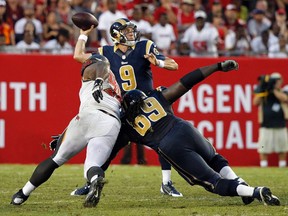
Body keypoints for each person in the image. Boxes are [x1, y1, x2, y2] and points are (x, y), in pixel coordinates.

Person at [120, 60, 280, 206]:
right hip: (184, 128)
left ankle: (254, 192)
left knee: (213, 182)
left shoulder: (128, 127)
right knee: (214, 158)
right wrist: (217, 67)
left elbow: (108, 148)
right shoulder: (156, 98)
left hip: (170, 145)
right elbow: (187, 81)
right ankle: (242, 184)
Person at [71, 17, 183, 197]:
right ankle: (91, 182)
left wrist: (158, 62)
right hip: (122, 108)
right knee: (110, 147)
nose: (131, 33)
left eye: (131, 30)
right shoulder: (105, 52)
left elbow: (174, 65)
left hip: (146, 105)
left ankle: (166, 182)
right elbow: (78, 56)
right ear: (117, 35)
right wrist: (83, 35)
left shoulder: (144, 46)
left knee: (164, 142)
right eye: (127, 31)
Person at [11, 50, 122, 207]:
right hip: (111, 122)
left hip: (87, 115)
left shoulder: (99, 68)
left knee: (56, 159)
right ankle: (96, 180)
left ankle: (22, 194)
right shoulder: (115, 86)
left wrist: (97, 81)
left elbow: (102, 66)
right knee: (91, 167)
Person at [253, 73, 288, 167]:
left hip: (280, 124)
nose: (276, 82)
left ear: (281, 80)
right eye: (274, 80)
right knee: (264, 147)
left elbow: (285, 99)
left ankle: (282, 166)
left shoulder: (284, 91)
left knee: (282, 148)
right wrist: (264, 88)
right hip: (266, 124)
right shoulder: (264, 92)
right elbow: (255, 102)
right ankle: (264, 166)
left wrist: (274, 90)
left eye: (278, 80)